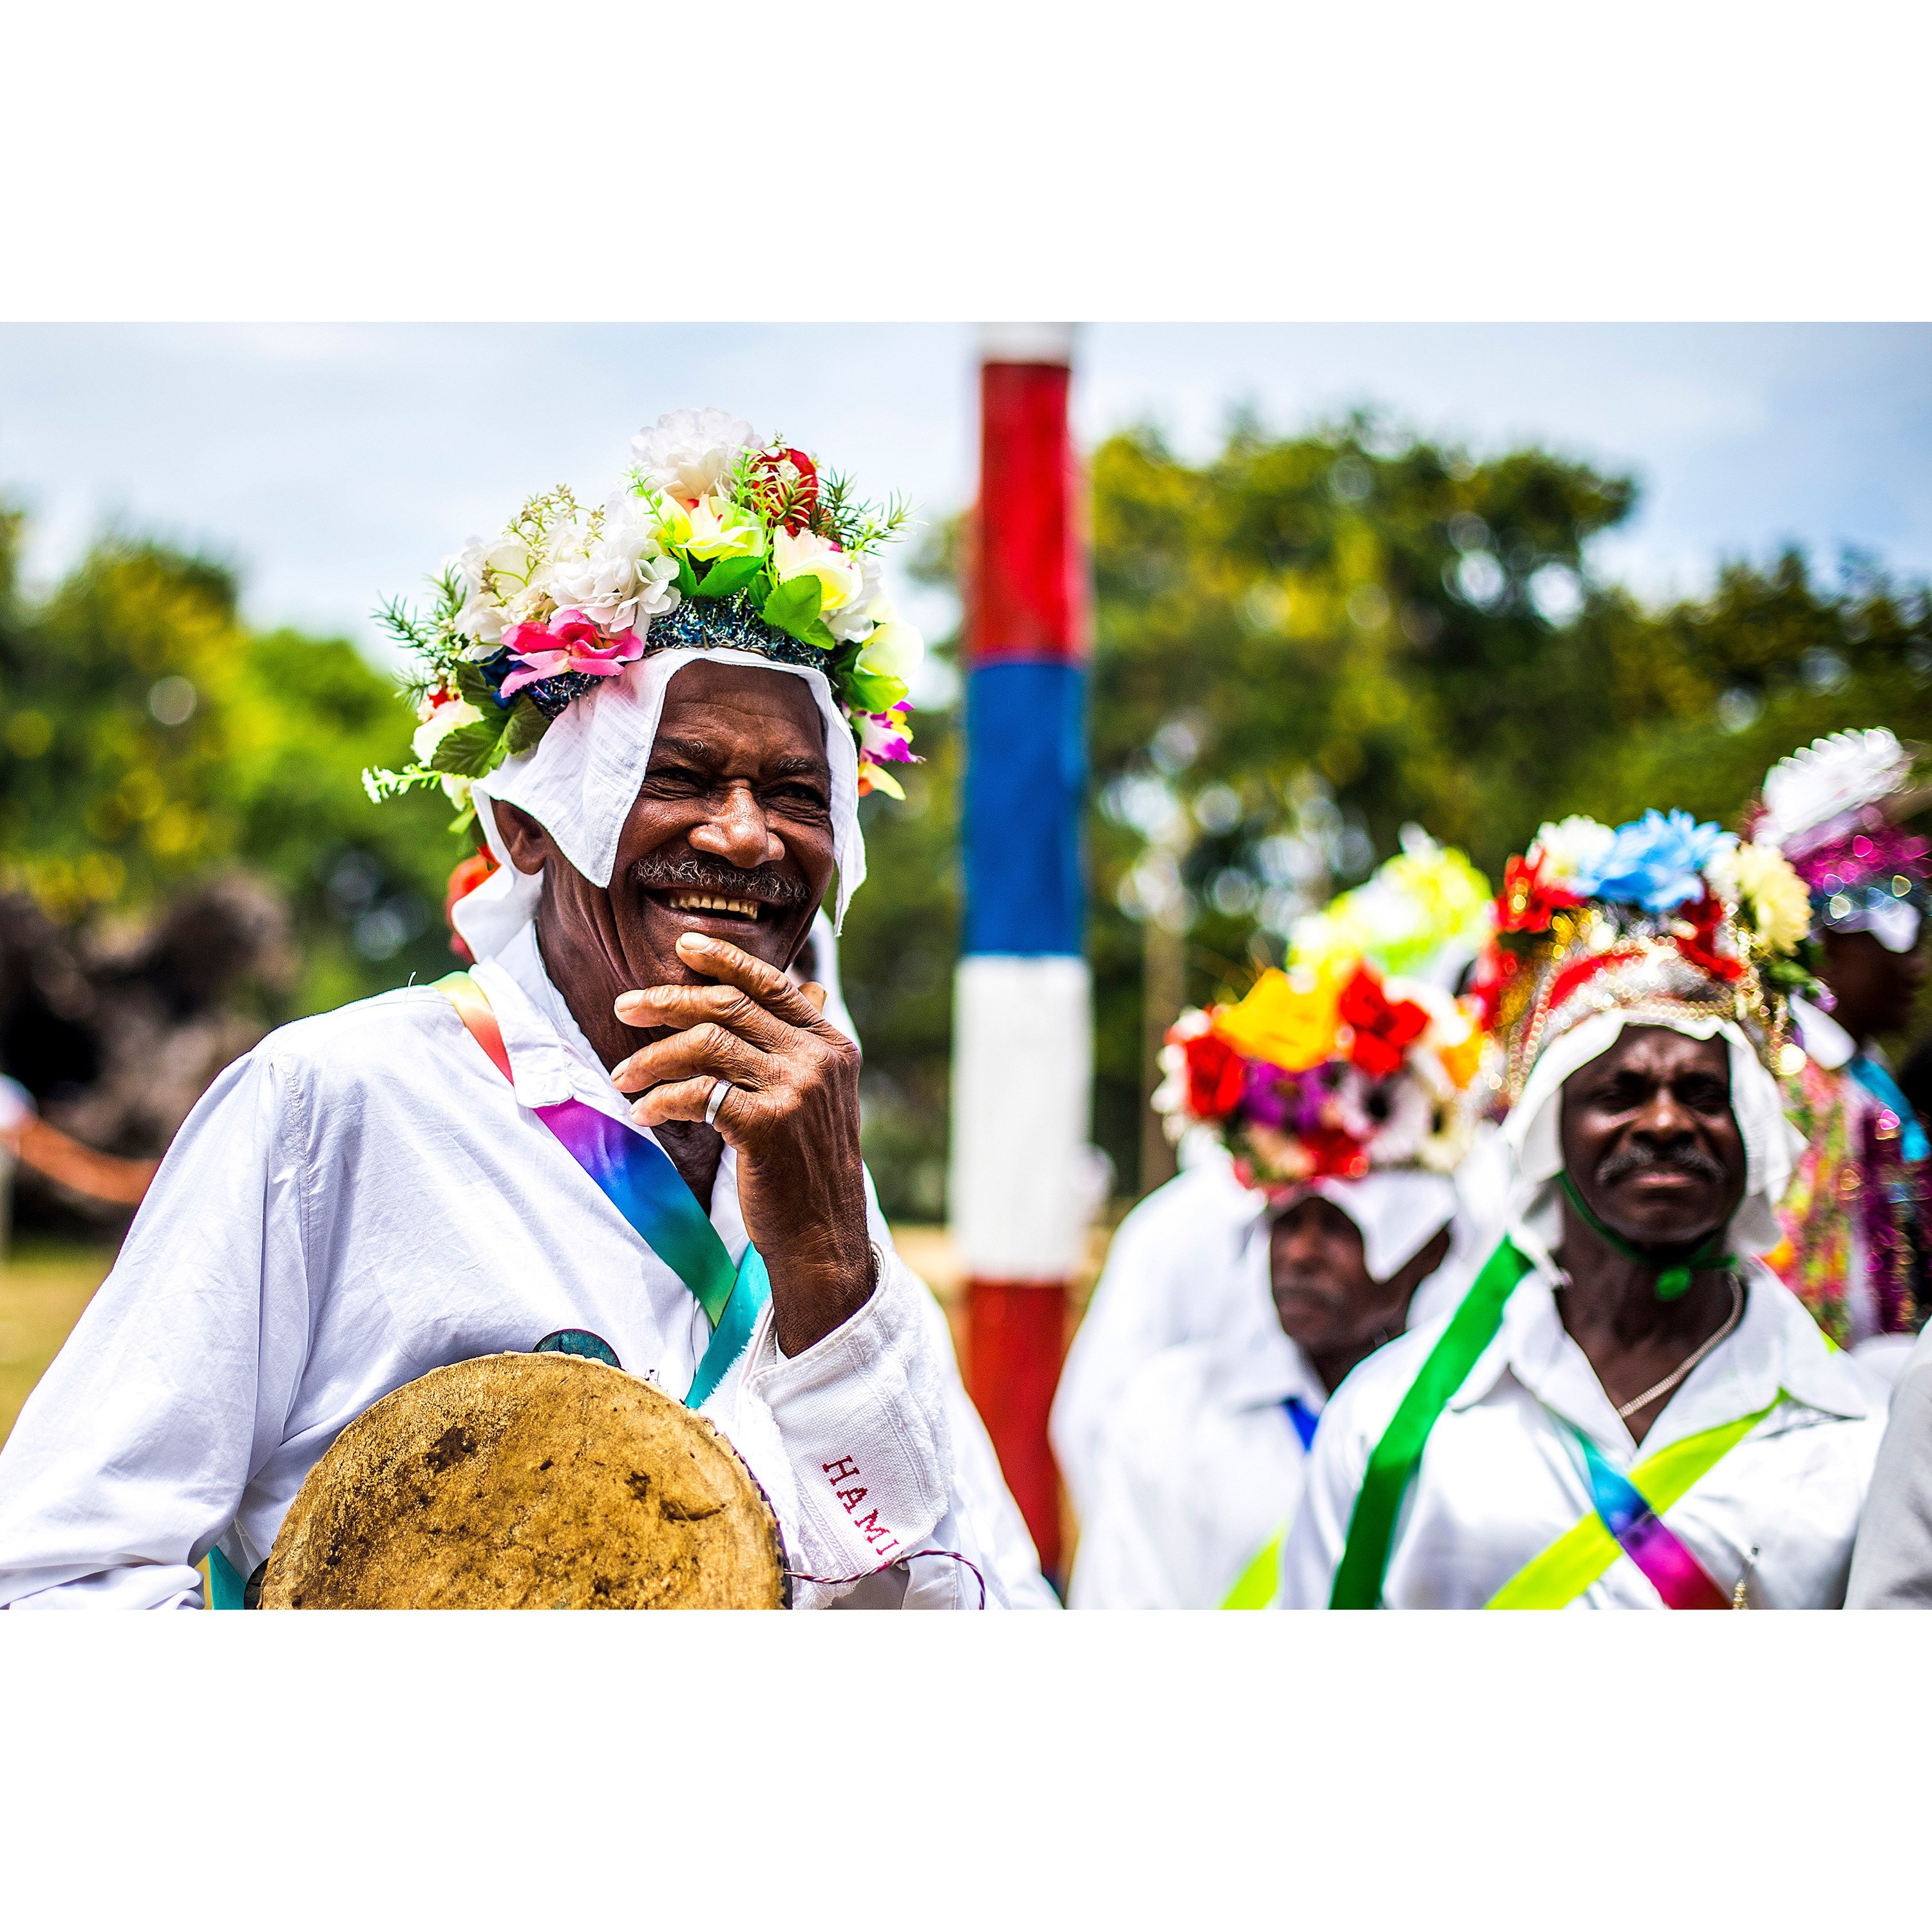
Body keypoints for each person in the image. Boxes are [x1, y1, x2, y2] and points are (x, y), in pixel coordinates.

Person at [0, 409, 1030, 1610]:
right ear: (530, 822)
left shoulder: (818, 1185)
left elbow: (978, 1602)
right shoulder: (337, 1107)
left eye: (795, 792)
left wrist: (825, 1271)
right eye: (680, 776)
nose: (746, 833)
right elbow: (49, 1585)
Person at [1282, 810, 1889, 1609]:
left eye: (1705, 1093)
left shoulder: (1859, 1437)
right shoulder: (1391, 1422)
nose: (1667, 1121)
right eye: (1620, 1092)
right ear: (1547, 1134)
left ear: (1754, 1132)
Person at [1063, 839, 1502, 1608]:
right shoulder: (1172, 1416)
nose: (1297, 1254)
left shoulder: (1494, 1428)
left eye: (1338, 1227)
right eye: (1280, 1222)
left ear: (1429, 1245)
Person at [1752, 728, 1930, 1368]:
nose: (1915, 966)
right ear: (1826, 945)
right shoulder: (1790, 1079)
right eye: (1894, 936)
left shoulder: (1861, 1070)